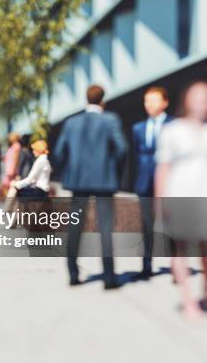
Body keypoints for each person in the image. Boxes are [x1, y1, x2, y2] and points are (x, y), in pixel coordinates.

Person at [54, 85, 127, 290]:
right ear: (103, 100)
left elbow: (59, 153)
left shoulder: (71, 123)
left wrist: (66, 172)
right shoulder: (111, 120)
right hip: (104, 180)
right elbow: (122, 149)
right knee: (105, 227)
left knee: (75, 226)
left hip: (77, 181)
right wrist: (115, 171)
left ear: (85, 99)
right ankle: (109, 277)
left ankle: (73, 274)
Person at [155, 81, 207, 321]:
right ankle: (188, 300)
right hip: (180, 197)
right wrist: (159, 202)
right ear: (186, 99)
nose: (201, 102)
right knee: (181, 251)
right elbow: (163, 168)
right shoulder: (172, 130)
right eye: (197, 97)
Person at [131, 86, 173, 280]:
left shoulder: (175, 125)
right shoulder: (138, 128)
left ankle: (176, 267)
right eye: (147, 101)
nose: (150, 104)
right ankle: (146, 267)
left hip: (169, 182)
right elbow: (136, 156)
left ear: (165, 102)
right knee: (146, 225)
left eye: (154, 100)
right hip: (144, 182)